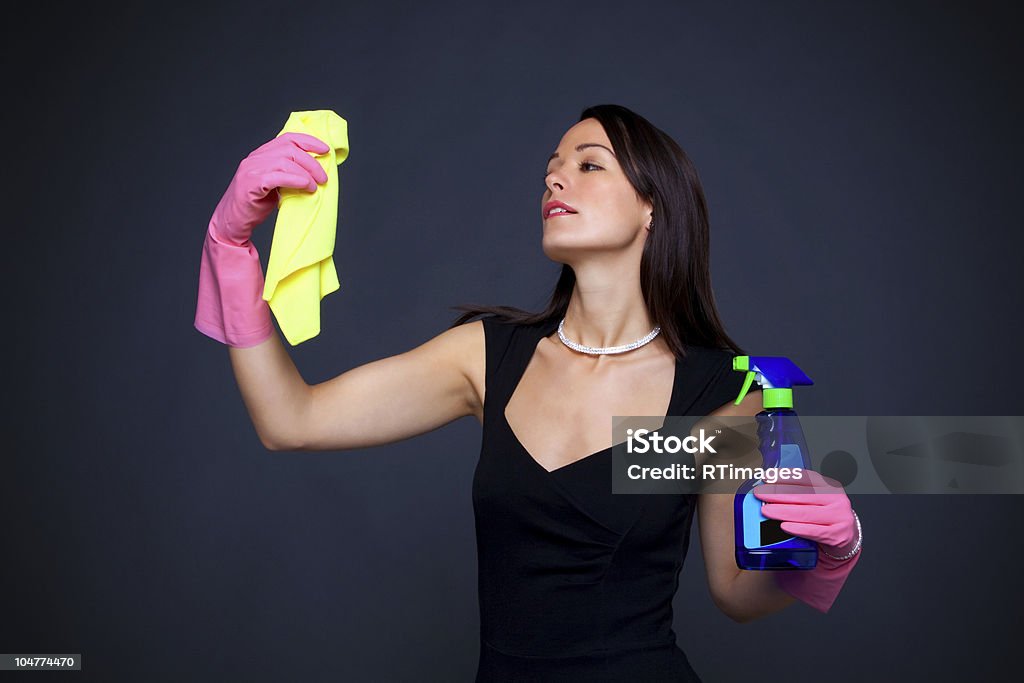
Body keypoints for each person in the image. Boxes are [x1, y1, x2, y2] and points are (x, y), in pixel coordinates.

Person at [194, 104, 863, 682]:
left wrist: (826, 557)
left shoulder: (722, 389)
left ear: (653, 206)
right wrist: (230, 246)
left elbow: (738, 592)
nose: (554, 175)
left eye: (589, 163)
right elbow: (291, 418)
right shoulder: (486, 356)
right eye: (552, 163)